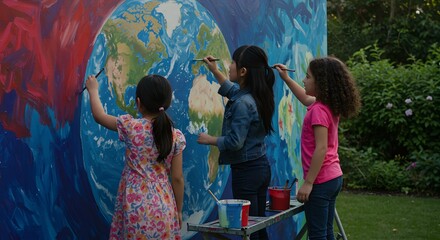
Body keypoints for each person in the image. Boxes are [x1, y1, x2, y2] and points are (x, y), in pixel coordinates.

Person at [85, 74, 186, 240]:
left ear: (139, 103)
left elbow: (100, 116)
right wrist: (179, 210)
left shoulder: (131, 127)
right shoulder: (176, 136)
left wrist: (93, 90)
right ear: (166, 104)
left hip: (135, 207)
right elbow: (177, 178)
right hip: (165, 206)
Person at [274, 57, 361, 240]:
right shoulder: (325, 105)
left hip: (321, 181)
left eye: (308, 77)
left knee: (317, 235)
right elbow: (305, 98)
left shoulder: (318, 111)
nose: (304, 80)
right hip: (333, 177)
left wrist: (309, 183)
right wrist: (286, 78)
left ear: (321, 83)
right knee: (326, 232)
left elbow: (321, 148)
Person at [197, 45, 275, 240]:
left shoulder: (243, 103)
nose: (228, 66)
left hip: (247, 173)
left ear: (243, 71)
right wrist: (214, 70)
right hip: (260, 167)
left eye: (232, 63)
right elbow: (232, 91)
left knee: (247, 229)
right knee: (258, 226)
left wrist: (210, 140)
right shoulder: (256, 95)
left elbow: (235, 142)